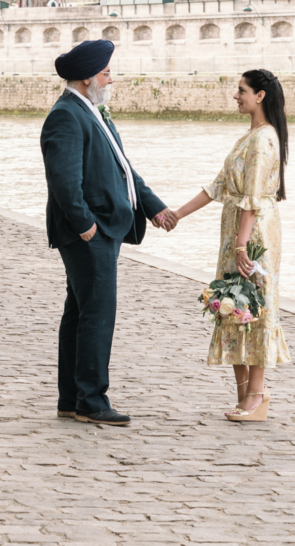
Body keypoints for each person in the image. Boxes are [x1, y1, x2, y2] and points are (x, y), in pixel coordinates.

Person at [40, 38, 176, 426]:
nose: (111, 79)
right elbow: (64, 180)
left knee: (80, 313)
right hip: (89, 232)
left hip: (102, 228)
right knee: (98, 315)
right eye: (106, 73)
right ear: (86, 78)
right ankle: (92, 401)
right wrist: (85, 227)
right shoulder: (66, 115)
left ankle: (71, 397)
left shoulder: (92, 111)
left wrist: (154, 207)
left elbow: (123, 168)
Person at [168, 69, 291, 421]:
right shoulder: (248, 136)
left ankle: (256, 394)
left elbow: (252, 198)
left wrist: (240, 247)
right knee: (233, 305)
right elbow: (217, 186)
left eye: (241, 90)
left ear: (260, 96)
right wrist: (176, 215)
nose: (235, 96)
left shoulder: (265, 139)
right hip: (235, 231)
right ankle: (244, 394)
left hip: (253, 235)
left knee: (254, 306)